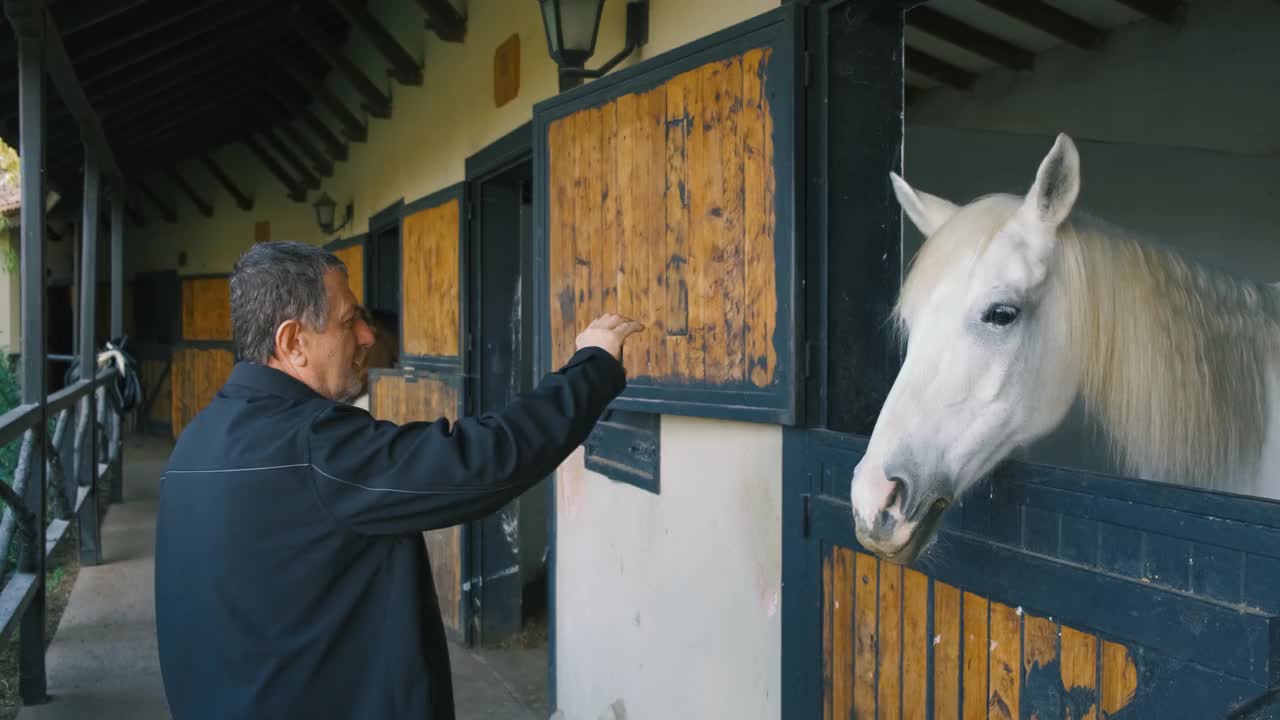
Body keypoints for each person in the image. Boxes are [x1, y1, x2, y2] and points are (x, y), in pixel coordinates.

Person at [154, 241, 642, 719]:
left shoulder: (197, 440)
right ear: (292, 342)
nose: (368, 336)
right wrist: (592, 366)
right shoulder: (316, 445)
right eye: (349, 322)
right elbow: (483, 462)